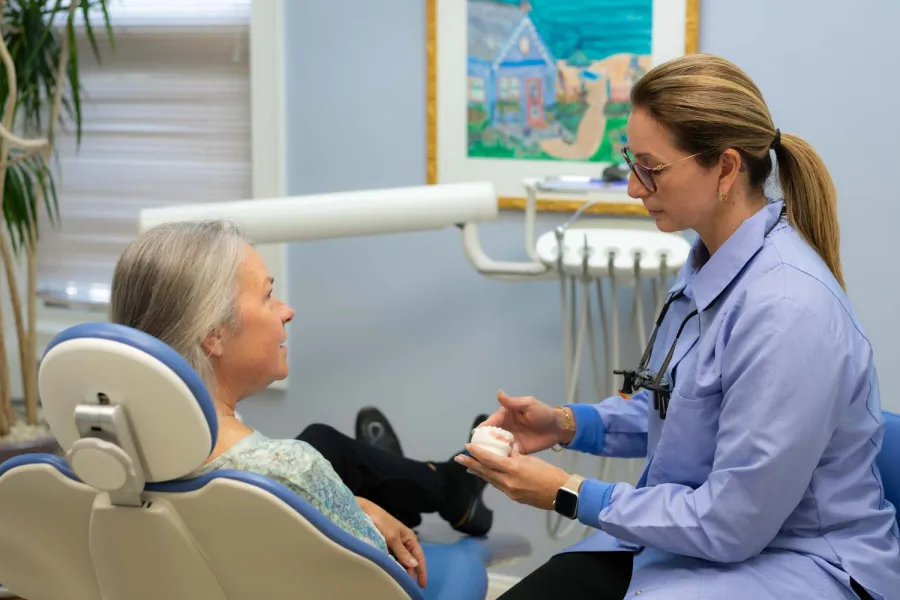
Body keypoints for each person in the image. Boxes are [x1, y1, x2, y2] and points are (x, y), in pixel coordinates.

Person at [456, 53, 900, 600]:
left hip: (801, 561)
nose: (633, 188)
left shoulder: (789, 311)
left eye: (651, 167)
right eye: (631, 161)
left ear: (727, 168)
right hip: (701, 543)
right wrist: (567, 424)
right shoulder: (704, 266)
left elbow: (732, 523)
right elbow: (680, 406)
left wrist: (568, 493)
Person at [109, 219, 493, 590]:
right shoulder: (292, 471)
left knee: (323, 443)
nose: (286, 311)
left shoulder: (99, 462)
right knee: (324, 451)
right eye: (267, 296)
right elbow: (389, 586)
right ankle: (433, 487)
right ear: (214, 334)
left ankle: (403, 488)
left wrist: (348, 505)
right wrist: (335, 502)